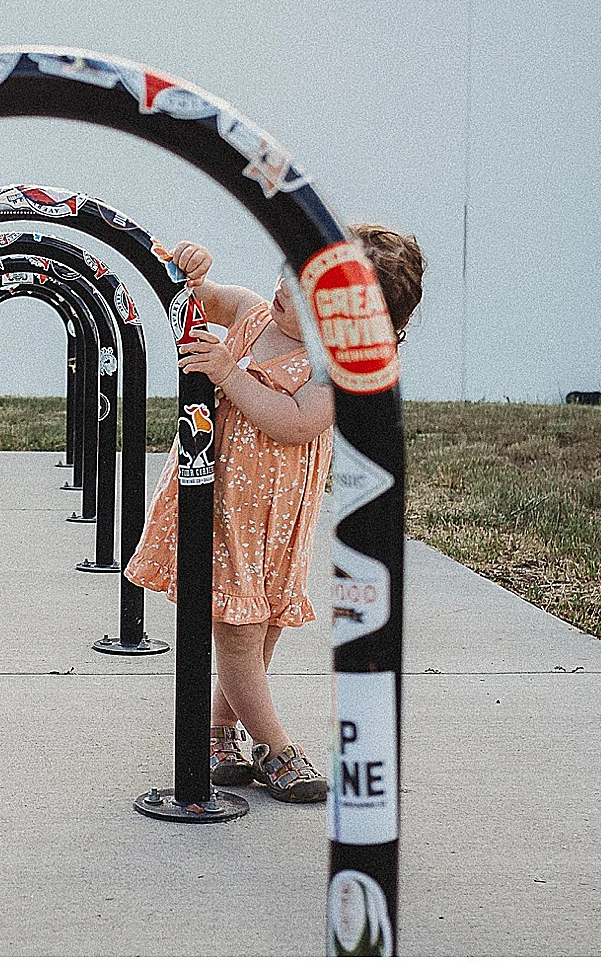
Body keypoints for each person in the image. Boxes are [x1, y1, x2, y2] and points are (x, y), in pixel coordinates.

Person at [124, 224, 425, 803]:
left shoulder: (329, 373)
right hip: (220, 507)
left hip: (273, 524)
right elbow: (198, 298)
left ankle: (217, 732)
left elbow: (292, 422)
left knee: (258, 634)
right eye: (292, 272)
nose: (287, 291)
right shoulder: (252, 313)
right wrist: (195, 265)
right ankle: (277, 750)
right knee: (237, 638)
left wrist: (226, 373)